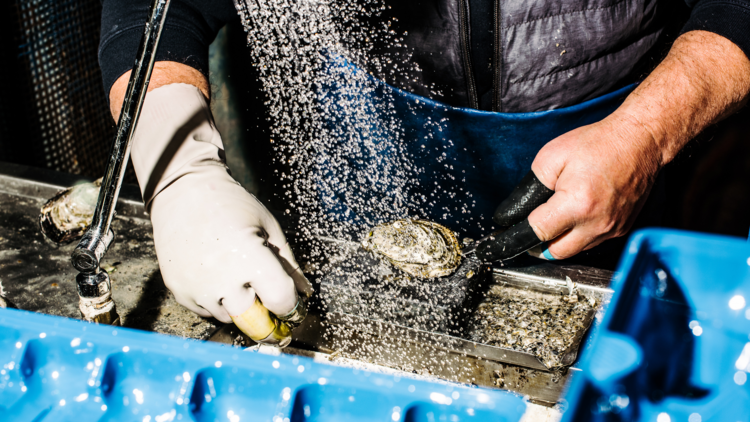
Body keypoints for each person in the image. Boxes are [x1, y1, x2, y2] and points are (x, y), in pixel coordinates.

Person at [99, 0, 750, 339]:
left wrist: (645, 134)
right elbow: (160, 7)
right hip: (365, 139)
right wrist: (180, 171)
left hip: (612, 138)